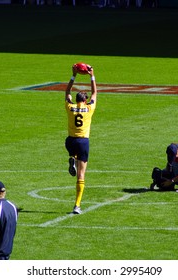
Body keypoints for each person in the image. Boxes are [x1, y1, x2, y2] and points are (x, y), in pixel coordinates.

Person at [65, 63, 97, 214]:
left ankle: (72, 157)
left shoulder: (70, 108)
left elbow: (67, 93)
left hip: (70, 141)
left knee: (71, 148)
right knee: (81, 175)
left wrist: (73, 75)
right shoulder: (89, 109)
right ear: (85, 100)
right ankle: (77, 205)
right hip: (83, 141)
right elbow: (95, 94)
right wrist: (92, 76)